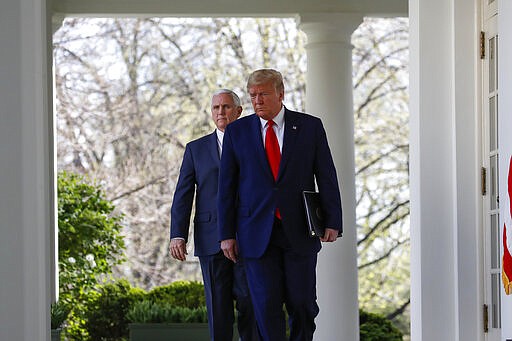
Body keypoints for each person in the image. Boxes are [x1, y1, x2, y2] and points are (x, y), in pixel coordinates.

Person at [218, 69, 343, 341]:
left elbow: (326, 175)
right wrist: (226, 234)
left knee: (303, 303)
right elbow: (226, 186)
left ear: (281, 94)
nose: (257, 100)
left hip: (299, 229)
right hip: (254, 232)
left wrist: (333, 221)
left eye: (263, 94)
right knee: (265, 305)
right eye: (252, 96)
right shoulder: (237, 131)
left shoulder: (309, 127)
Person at [169, 89, 259, 341]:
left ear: (239, 112)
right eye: (216, 108)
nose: (221, 112)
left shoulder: (256, 145)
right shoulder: (195, 149)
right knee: (218, 310)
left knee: (249, 305)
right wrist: (178, 235)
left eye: (227, 107)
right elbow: (183, 195)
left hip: (249, 239)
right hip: (210, 239)